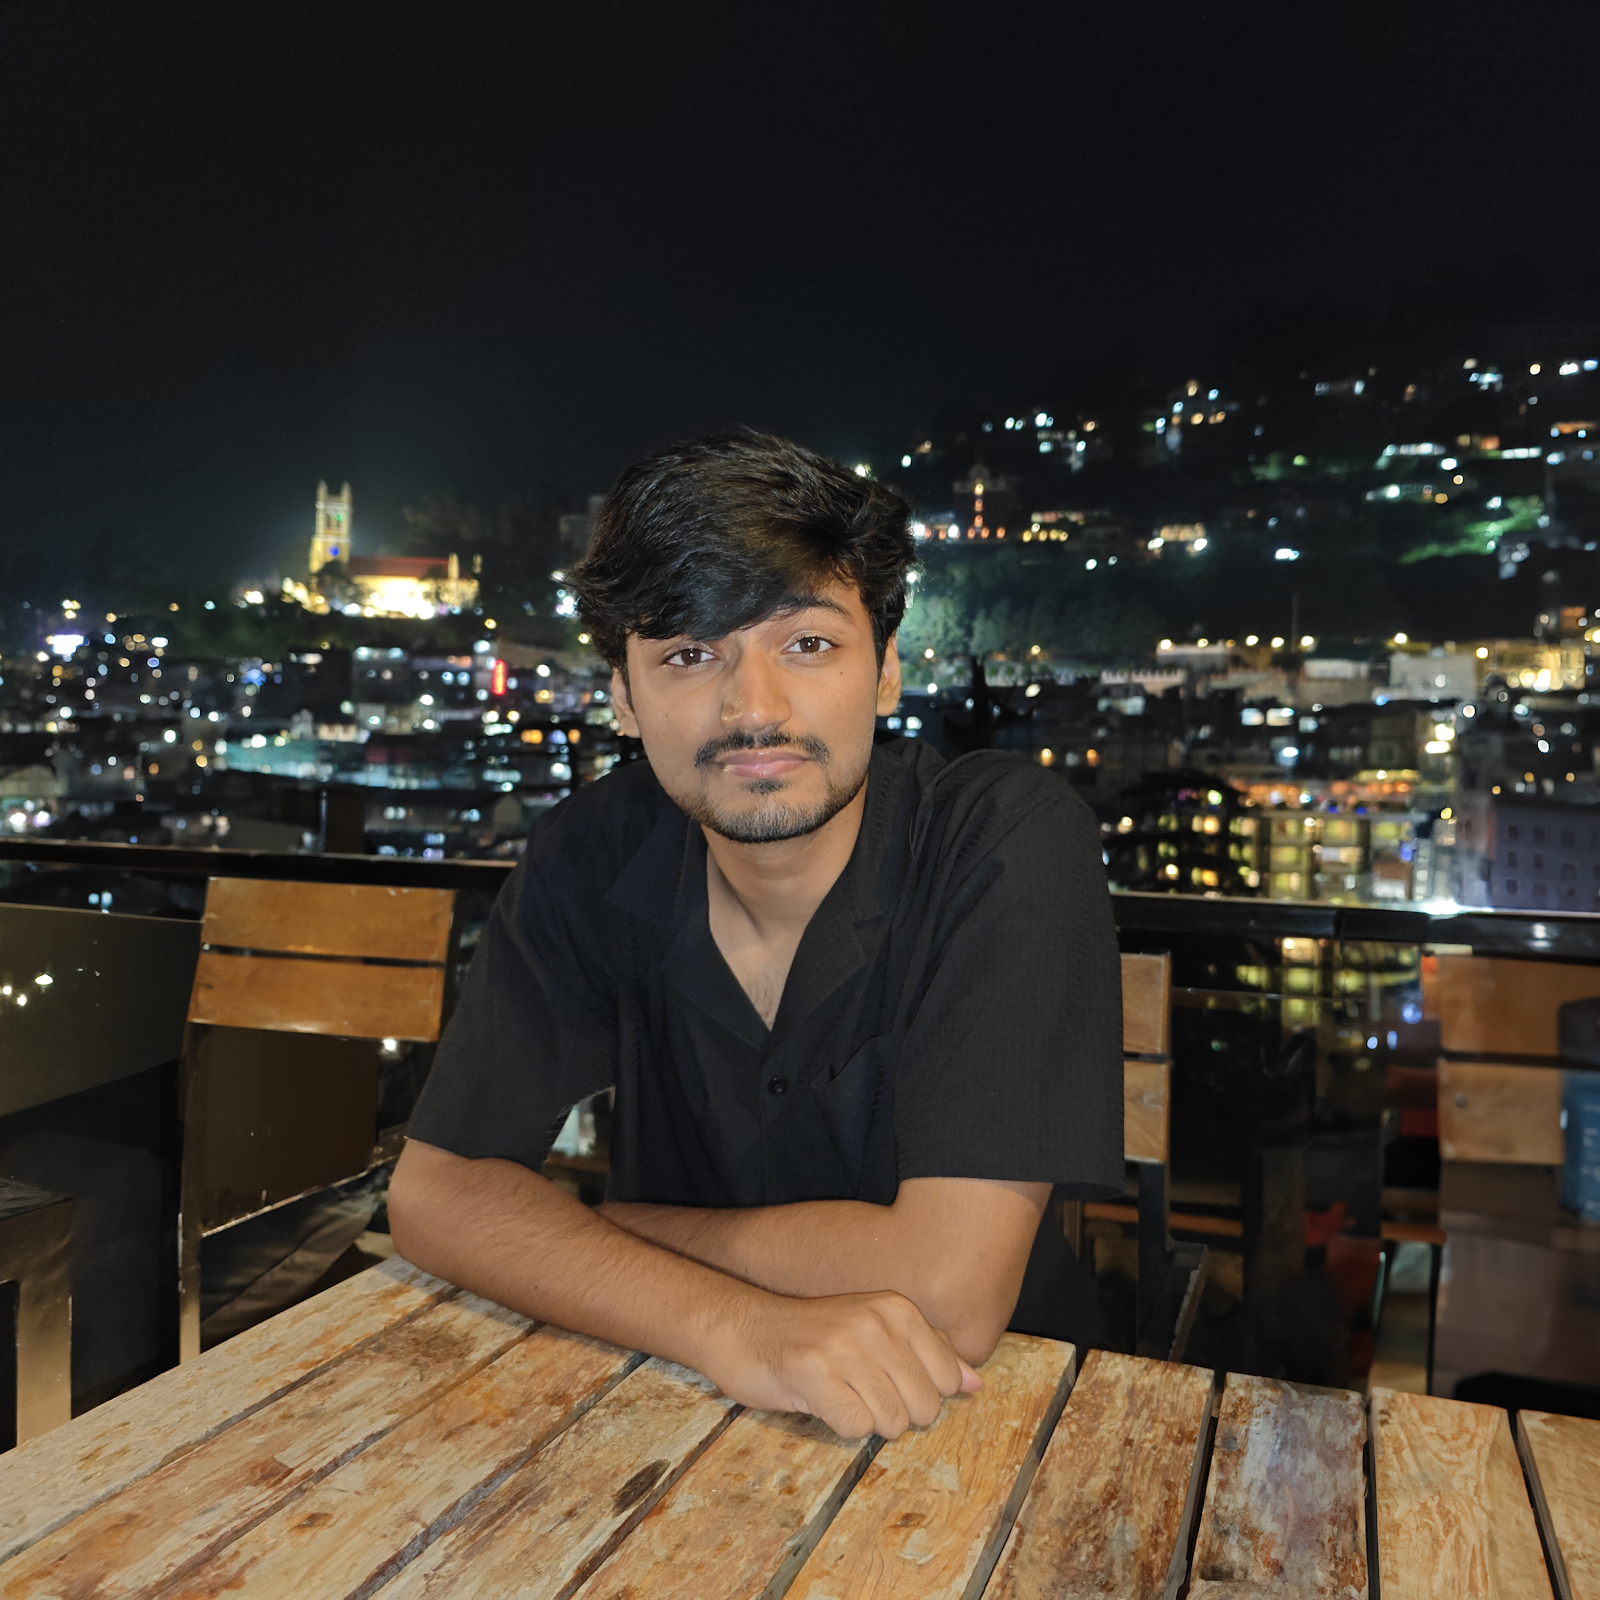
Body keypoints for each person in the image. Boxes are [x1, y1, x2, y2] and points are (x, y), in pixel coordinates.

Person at [389, 430, 1123, 1440]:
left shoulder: (999, 838)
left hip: (996, 1420)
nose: (753, 709)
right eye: (690, 655)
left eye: (807, 644)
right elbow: (434, 1197)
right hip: (668, 1402)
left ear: (885, 672)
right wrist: (732, 1324)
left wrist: (589, 1234)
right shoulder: (592, 852)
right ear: (624, 698)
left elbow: (948, 1296)